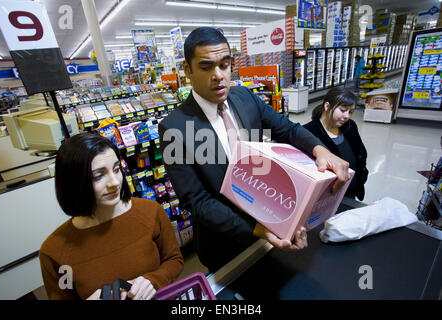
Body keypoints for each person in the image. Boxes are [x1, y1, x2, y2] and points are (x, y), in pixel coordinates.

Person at [159, 27, 351, 272]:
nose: (219, 76)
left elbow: (286, 129)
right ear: (187, 70)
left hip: (272, 216)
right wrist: (258, 228)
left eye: (225, 65)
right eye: (206, 67)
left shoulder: (244, 97)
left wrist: (321, 149)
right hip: (224, 242)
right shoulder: (173, 128)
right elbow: (197, 202)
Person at [39, 132, 184, 299]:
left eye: (116, 169)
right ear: (73, 183)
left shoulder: (150, 212)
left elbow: (174, 260)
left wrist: (153, 281)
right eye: (98, 176)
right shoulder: (54, 251)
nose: (114, 182)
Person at [304, 87, 368, 201]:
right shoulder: (308, 132)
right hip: (327, 197)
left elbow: (360, 154)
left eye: (350, 112)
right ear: (327, 106)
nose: (347, 116)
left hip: (350, 193)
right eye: (343, 110)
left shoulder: (350, 126)